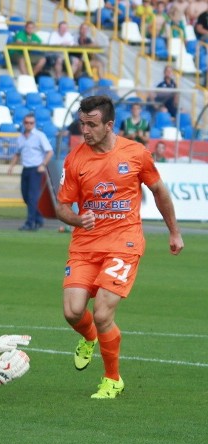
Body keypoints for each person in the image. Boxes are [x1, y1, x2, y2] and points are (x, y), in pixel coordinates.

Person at [55, 95, 184, 399]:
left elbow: (159, 192)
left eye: (92, 124)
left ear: (109, 124)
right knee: (73, 312)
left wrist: (174, 232)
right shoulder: (75, 159)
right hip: (85, 244)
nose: (85, 130)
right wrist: (77, 219)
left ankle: (112, 379)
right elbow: (62, 207)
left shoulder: (136, 153)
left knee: (102, 314)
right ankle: (88, 337)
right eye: (81, 123)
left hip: (124, 242)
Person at [7, 114, 53, 231]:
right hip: (26, 168)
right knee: (26, 197)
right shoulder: (21, 137)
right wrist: (11, 166)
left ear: (34, 124)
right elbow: (17, 153)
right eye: (27, 122)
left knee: (32, 197)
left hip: (36, 169)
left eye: (31, 123)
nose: (29, 125)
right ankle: (38, 218)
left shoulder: (39, 136)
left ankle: (30, 223)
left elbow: (49, 152)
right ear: (23, 123)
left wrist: (43, 165)